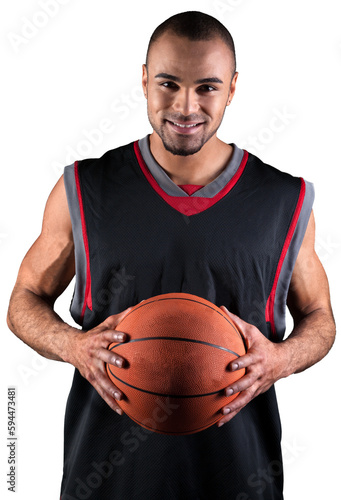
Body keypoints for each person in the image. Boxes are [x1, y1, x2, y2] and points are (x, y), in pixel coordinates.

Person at [7, 10, 335, 500]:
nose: (186, 106)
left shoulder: (283, 199)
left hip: (238, 478)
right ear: (143, 81)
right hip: (107, 482)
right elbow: (23, 299)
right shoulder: (85, 186)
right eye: (168, 83)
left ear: (232, 87)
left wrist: (281, 359)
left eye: (207, 87)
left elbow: (321, 317)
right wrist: (73, 346)